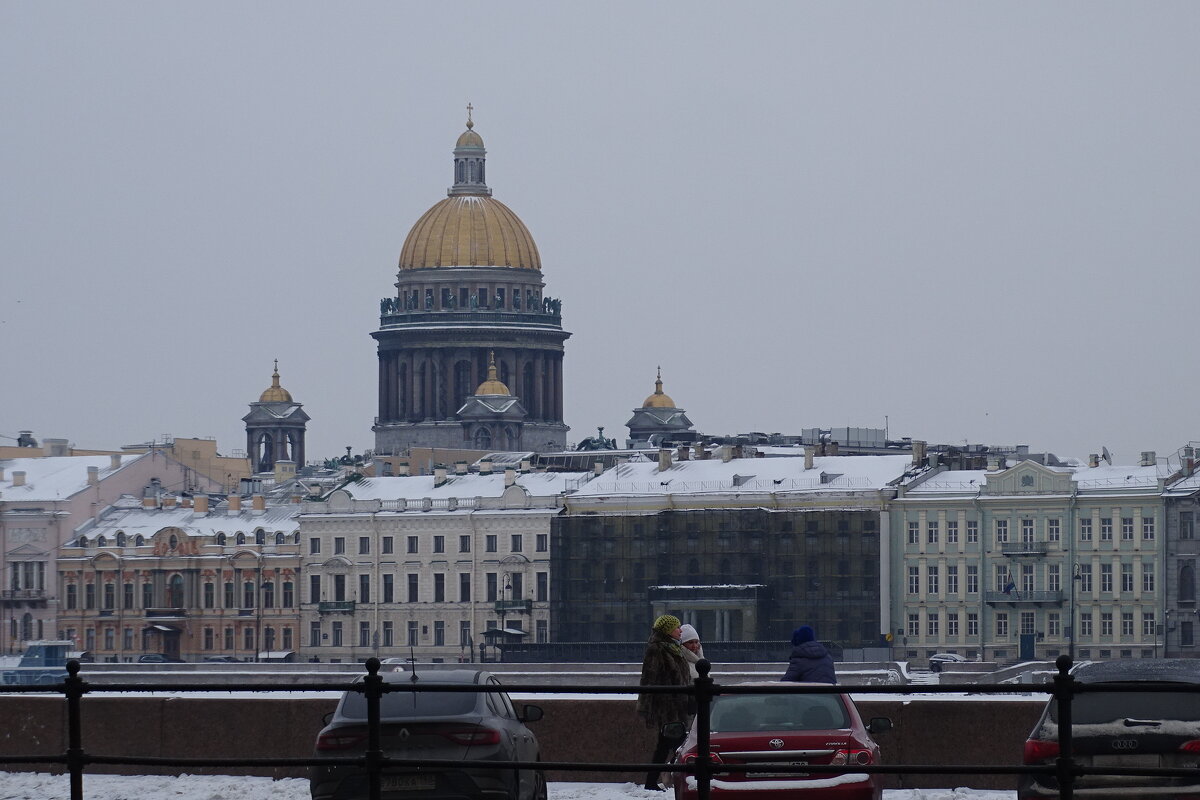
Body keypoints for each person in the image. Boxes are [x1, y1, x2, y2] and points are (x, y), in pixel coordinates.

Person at [637, 614, 691, 791]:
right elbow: (650, 677)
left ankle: (652, 781)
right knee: (679, 741)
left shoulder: (672, 647)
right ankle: (691, 777)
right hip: (667, 704)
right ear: (668, 630)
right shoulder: (658, 649)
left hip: (675, 703)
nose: (680, 630)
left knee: (666, 743)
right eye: (676, 627)